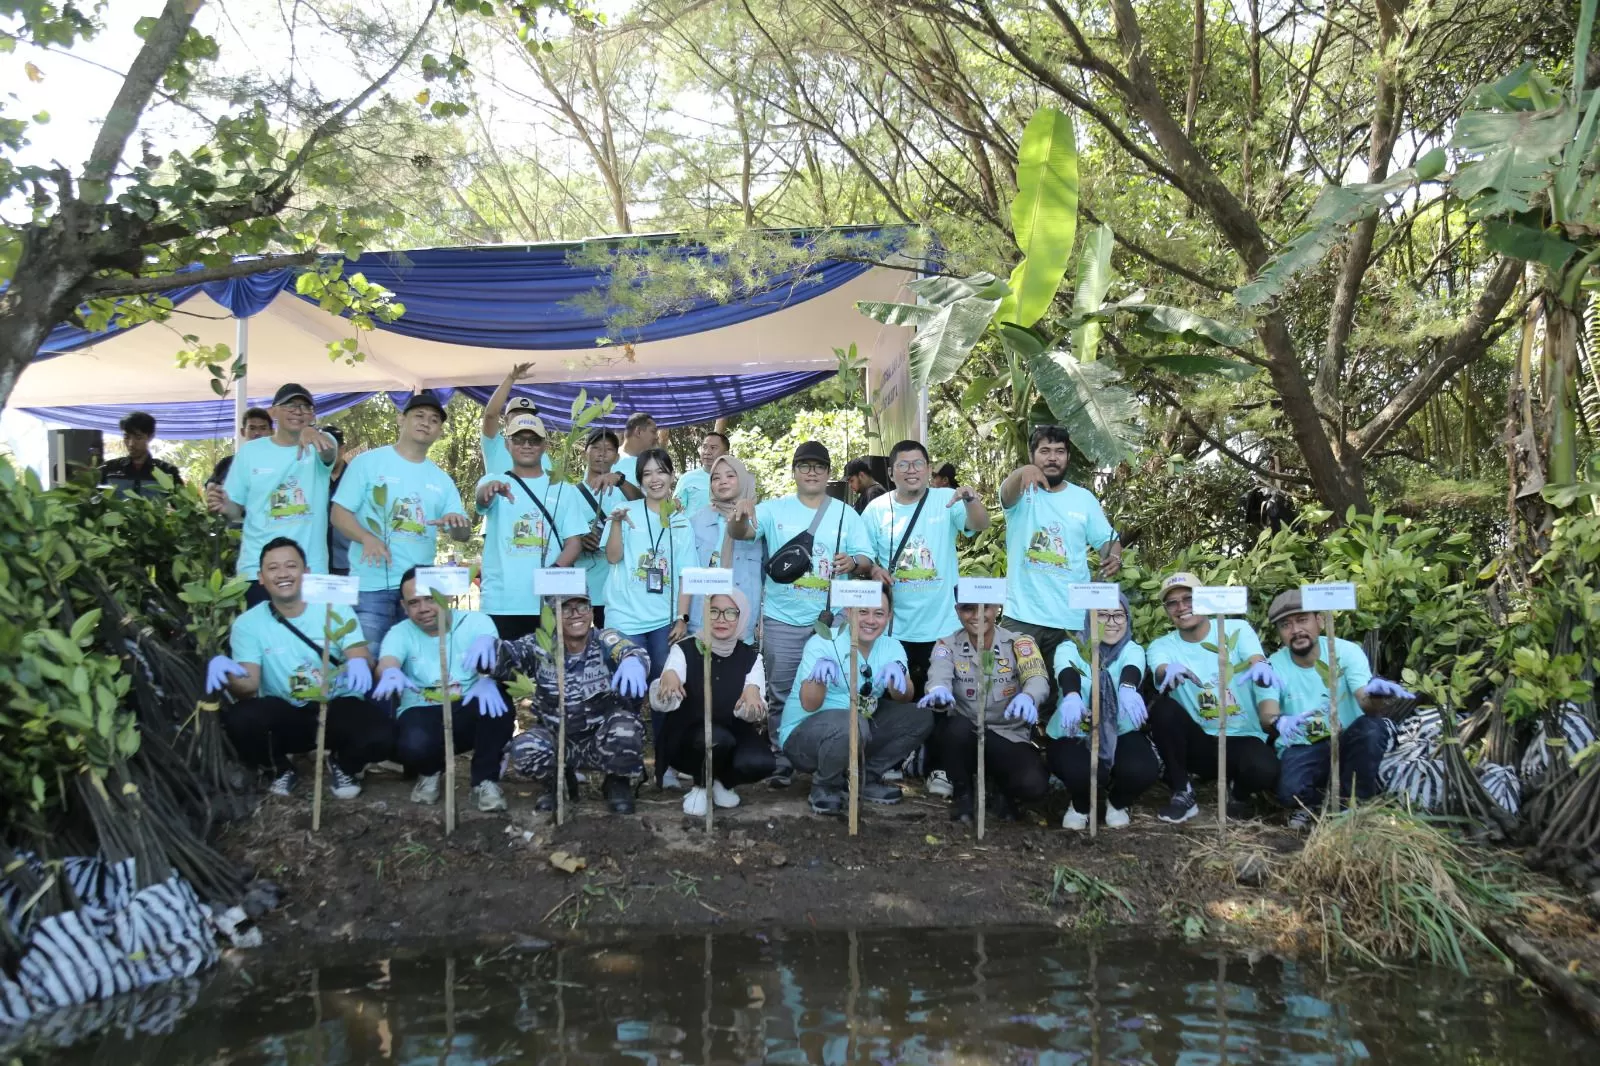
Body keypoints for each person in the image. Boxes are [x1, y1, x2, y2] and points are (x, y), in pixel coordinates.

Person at [729, 440, 875, 788]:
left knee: (835, 689)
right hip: (783, 617)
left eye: (819, 467)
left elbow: (867, 560)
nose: (812, 472)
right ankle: (782, 758)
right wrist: (739, 514)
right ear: (794, 471)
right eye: (805, 466)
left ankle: (830, 756)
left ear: (828, 474)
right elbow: (742, 534)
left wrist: (853, 562)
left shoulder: (845, 513)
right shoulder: (773, 510)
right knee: (781, 689)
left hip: (834, 620)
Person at [204, 538, 392, 799]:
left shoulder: (333, 606)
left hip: (335, 705)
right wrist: (229, 674)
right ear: (260, 578)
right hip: (286, 712)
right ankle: (279, 769)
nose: (282, 574)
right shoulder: (248, 624)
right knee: (241, 719)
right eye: (273, 568)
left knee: (381, 733)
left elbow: (356, 649)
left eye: (291, 566)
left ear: (307, 573)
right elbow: (248, 688)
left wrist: (360, 661)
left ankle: (344, 764)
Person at [331, 391, 471, 651]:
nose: (426, 423)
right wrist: (366, 537)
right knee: (367, 660)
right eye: (419, 416)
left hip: (421, 593)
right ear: (400, 419)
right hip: (370, 587)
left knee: (413, 665)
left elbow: (462, 535)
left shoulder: (442, 480)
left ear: (440, 430)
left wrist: (460, 526)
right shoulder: (367, 463)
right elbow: (338, 514)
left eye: (433, 420)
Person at [998, 425, 1121, 707]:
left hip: (1071, 619)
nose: (1052, 458)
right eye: (1044, 451)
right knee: (1012, 693)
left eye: (1059, 452)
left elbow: (1107, 540)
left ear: (1067, 458)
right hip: (1022, 618)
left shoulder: (1083, 499)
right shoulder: (1020, 493)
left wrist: (1114, 556)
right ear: (1032, 455)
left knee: (1063, 698)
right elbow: (1006, 493)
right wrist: (1022, 473)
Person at [1267, 590, 1412, 828]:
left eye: (1302, 620)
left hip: (1346, 739)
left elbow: (1365, 702)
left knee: (1371, 729)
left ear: (1320, 621)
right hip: (1303, 744)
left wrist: (1375, 694)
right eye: (1285, 625)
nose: (1295, 630)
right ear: (1280, 633)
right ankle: (1317, 803)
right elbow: (1268, 712)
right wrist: (1277, 721)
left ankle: (1352, 804)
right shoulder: (1274, 664)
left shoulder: (1346, 652)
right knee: (1289, 792)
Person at [1146, 571, 1283, 823]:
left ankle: (1238, 794)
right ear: (1166, 610)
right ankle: (1182, 791)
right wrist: (1168, 671)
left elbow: (1255, 658)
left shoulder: (1237, 629)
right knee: (1163, 709)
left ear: (1205, 599)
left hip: (1241, 737)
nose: (1181, 607)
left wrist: (1260, 666)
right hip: (1199, 742)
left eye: (1188, 598)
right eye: (1172, 603)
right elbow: (1161, 667)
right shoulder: (1161, 645)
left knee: (1265, 770)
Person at [373, 567, 512, 813]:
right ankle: (430, 772)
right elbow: (388, 660)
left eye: (430, 598)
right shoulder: (400, 632)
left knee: (498, 702)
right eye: (414, 603)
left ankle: (484, 781)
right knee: (413, 743)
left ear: (445, 596)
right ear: (404, 608)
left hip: (467, 705)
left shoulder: (476, 622)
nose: (423, 608)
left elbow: (494, 662)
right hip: (421, 709)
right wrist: (389, 671)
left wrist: (488, 677)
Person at [496, 593, 649, 814]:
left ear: (591, 610)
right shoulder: (541, 646)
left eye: (582, 606)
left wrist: (633, 661)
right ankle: (559, 783)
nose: (576, 614)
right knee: (524, 749)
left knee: (626, 728)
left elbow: (630, 650)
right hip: (558, 739)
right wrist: (488, 654)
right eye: (566, 608)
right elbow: (507, 656)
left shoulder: (605, 638)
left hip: (601, 739)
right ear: (554, 615)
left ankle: (617, 782)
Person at [782, 592, 930, 815]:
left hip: (859, 725)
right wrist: (818, 678)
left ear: (889, 616)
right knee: (853, 723)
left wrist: (897, 676)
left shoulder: (892, 647)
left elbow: (905, 697)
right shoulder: (824, 641)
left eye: (879, 613)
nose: (870, 620)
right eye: (863, 612)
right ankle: (825, 786)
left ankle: (863, 778)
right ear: (848, 613)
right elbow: (809, 704)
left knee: (919, 717)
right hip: (805, 736)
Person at [603, 447, 697, 783]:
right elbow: (613, 558)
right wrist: (614, 524)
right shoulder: (625, 511)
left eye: (661, 472)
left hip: (664, 622)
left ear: (672, 476)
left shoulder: (681, 520)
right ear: (640, 481)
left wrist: (682, 618)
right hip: (625, 619)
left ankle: (666, 765)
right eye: (647, 474)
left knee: (664, 691)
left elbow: (686, 573)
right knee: (627, 693)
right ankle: (625, 765)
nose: (655, 479)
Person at [919, 594, 1049, 824]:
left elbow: (1037, 677)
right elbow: (938, 673)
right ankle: (964, 794)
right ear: (957, 610)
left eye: (985, 607)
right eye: (968, 609)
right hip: (966, 734)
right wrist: (938, 690)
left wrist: (1029, 696)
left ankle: (1002, 792)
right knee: (955, 729)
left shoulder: (1020, 643)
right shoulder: (946, 645)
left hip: (1007, 735)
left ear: (997, 608)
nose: (977, 615)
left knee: (1033, 785)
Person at [207, 384, 339, 607]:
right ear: (273, 412)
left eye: (305, 407)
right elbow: (234, 511)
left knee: (316, 640)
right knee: (263, 639)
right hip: (258, 570)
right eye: (290, 405)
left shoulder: (321, 444)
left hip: (311, 570)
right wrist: (222, 504)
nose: (298, 411)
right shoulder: (250, 452)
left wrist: (312, 432)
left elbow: (329, 452)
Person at [649, 589, 776, 816]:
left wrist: (751, 701)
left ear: (741, 616)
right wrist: (666, 683)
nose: (721, 619)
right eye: (714, 611)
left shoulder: (751, 657)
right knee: (716, 739)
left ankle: (719, 781)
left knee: (761, 762)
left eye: (730, 613)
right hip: (688, 739)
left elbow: (754, 711)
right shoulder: (685, 649)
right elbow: (663, 700)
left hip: (731, 734)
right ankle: (700, 786)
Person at [1045, 594, 1162, 830]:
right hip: (1073, 732)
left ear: (1127, 619)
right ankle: (1080, 805)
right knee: (1083, 772)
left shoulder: (1131, 649)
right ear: (1090, 618)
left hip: (1119, 731)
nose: (1111, 621)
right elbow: (1067, 670)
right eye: (1102, 614)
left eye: (1119, 615)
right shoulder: (1071, 647)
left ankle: (1118, 802)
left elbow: (1132, 667)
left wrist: (1128, 689)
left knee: (1143, 769)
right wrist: (1072, 695)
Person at [475, 410, 588, 641]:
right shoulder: (493, 482)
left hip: (549, 604)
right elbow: (481, 499)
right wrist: (487, 492)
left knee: (551, 674)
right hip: (501, 603)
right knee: (506, 675)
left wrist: (554, 572)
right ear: (507, 444)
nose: (526, 445)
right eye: (518, 439)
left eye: (533, 440)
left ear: (544, 446)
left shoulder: (563, 489)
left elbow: (574, 543)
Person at [570, 428, 641, 628]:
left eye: (609, 449)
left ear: (617, 457)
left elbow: (644, 508)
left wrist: (620, 481)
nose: (602, 454)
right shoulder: (570, 494)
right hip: (580, 588)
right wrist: (579, 541)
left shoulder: (622, 492)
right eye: (596, 448)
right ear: (585, 452)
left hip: (616, 589)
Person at [689, 454, 763, 644]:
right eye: (716, 477)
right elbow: (686, 571)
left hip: (742, 619)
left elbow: (767, 575)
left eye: (730, 475)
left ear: (743, 479)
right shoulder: (696, 521)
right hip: (702, 617)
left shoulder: (761, 519)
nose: (722, 481)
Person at [480, 363, 552, 476]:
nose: (523, 419)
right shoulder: (495, 444)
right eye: (518, 415)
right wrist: (511, 378)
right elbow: (490, 415)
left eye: (528, 415)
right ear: (506, 420)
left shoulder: (541, 454)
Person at [100, 411, 183, 497]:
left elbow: (186, 505)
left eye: (138, 437)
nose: (131, 444)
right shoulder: (109, 469)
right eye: (126, 437)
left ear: (150, 437)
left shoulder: (167, 471)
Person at [206, 407, 274, 488]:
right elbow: (211, 485)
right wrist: (211, 488)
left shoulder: (282, 463)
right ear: (243, 432)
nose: (257, 433)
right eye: (252, 428)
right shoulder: (227, 463)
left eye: (263, 428)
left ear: (272, 432)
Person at [674, 430, 729, 519]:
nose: (707, 452)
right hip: (692, 532)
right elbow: (675, 508)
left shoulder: (734, 481)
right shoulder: (687, 478)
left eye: (713, 448)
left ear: (726, 454)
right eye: (704, 447)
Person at [325, 426, 353, 576]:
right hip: (318, 562)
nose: (328, 453)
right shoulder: (314, 478)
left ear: (342, 449)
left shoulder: (356, 477)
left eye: (332, 448)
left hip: (347, 562)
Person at [616, 412, 658, 486]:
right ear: (638, 431)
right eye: (653, 431)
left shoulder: (650, 465)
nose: (656, 437)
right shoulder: (608, 459)